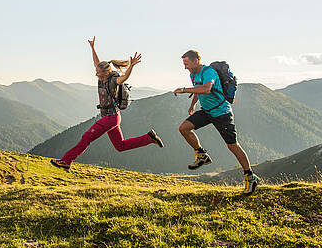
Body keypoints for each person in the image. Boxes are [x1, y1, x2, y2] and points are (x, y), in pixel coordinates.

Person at [50, 37, 163, 171]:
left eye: (98, 72)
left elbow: (125, 78)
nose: (95, 73)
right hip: (112, 117)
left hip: (111, 118)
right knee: (120, 146)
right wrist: (92, 48)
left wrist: (131, 66)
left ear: (105, 72)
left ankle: (66, 161)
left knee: (87, 137)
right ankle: (149, 138)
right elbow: (96, 62)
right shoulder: (101, 78)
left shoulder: (113, 80)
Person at [173, 50, 259, 195]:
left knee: (233, 146)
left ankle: (250, 177)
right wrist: (193, 105)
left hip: (221, 113)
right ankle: (201, 155)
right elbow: (198, 90)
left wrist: (183, 90)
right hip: (207, 111)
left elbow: (206, 89)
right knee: (184, 128)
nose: (185, 67)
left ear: (196, 61)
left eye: (186, 63)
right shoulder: (193, 73)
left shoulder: (209, 72)